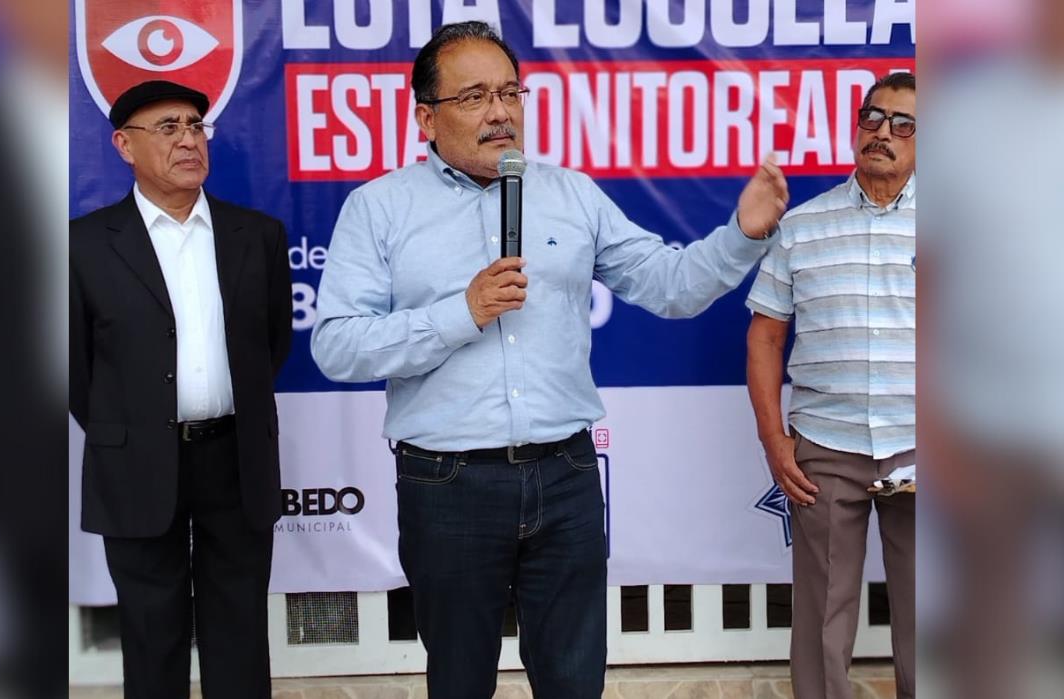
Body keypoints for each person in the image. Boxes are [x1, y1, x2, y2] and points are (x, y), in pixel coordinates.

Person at [311, 21, 788, 698]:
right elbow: (336, 344)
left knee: (573, 680)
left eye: (510, 92)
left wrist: (742, 234)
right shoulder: (378, 208)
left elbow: (671, 286)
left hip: (564, 475)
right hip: (447, 484)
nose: (501, 111)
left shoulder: (570, 192)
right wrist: (461, 312)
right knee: (459, 679)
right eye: (474, 97)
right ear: (426, 116)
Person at [69, 80, 292, 699]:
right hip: (136, 459)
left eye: (196, 126)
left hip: (234, 457)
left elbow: (271, 345)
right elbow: (74, 369)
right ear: (124, 145)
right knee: (151, 629)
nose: (189, 139)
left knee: (239, 626)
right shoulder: (83, 245)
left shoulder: (258, 235)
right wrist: (132, 425)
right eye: (168, 128)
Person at [745, 72, 916, 698]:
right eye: (873, 118)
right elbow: (765, 338)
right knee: (821, 623)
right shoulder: (803, 226)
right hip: (824, 448)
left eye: (904, 124)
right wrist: (773, 439)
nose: (883, 133)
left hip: (928, 451)